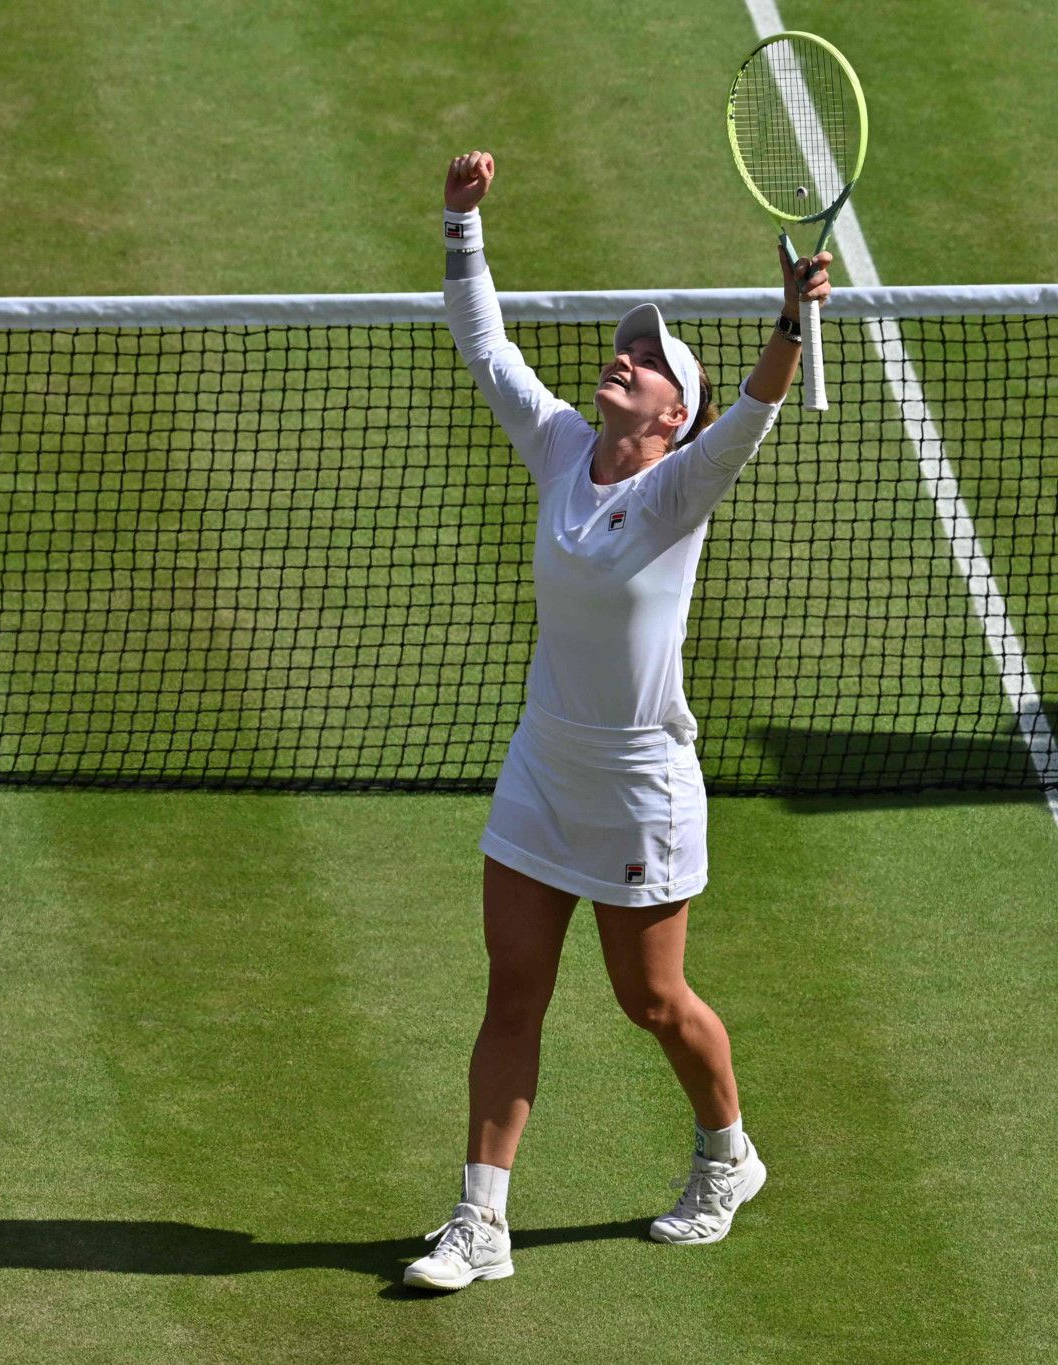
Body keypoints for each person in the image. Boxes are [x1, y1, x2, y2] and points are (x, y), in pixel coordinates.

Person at [403, 150, 834, 1292]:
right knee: (513, 990)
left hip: (642, 780)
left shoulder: (679, 488)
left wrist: (787, 323)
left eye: (647, 363)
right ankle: (477, 1223)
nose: (625, 359)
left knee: (649, 1000)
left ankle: (724, 1155)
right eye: (625, 347)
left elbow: (750, 414)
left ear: (671, 413)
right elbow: (485, 349)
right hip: (543, 764)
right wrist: (460, 226)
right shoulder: (555, 448)